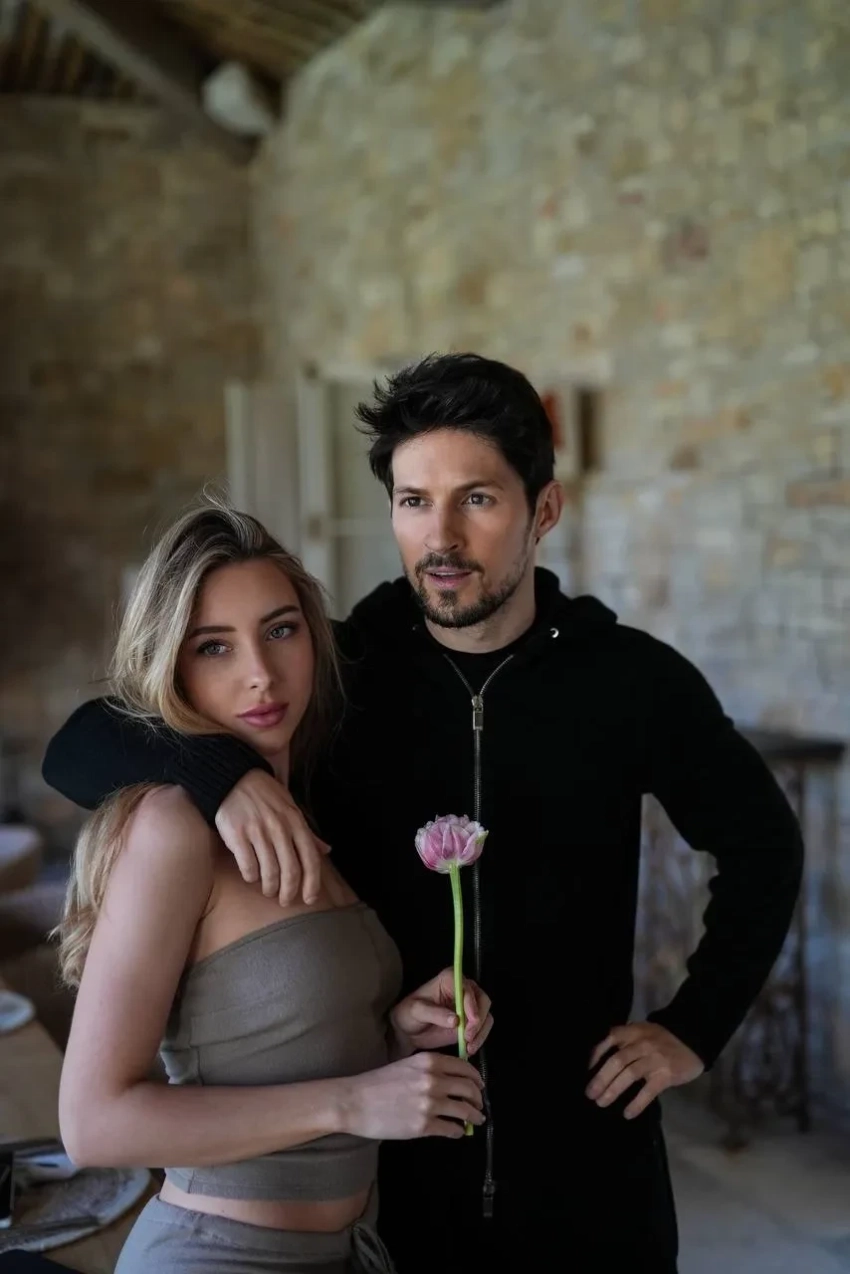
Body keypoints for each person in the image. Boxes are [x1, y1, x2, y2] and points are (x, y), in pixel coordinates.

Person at [44, 353, 803, 1272]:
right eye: (413, 501)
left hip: (589, 1169)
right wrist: (221, 775)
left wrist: (694, 1027)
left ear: (544, 510)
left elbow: (764, 844)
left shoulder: (631, 681)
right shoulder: (338, 673)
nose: (440, 537)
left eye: (476, 499)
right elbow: (82, 742)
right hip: (398, 1179)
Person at [52, 499, 493, 1274]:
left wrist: (397, 1038)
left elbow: (277, 1051)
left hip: (351, 1250)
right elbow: (93, 1124)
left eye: (281, 630)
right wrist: (355, 1102)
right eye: (214, 647)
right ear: (172, 665)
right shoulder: (173, 829)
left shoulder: (303, 816)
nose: (259, 672)